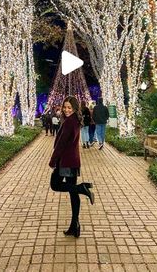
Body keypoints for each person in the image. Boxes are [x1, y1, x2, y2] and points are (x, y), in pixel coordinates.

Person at [49, 96, 94, 238]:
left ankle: (82, 188)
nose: (66, 110)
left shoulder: (69, 122)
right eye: (65, 107)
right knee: (73, 193)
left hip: (66, 162)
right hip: (73, 161)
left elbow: (61, 145)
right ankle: (75, 226)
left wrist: (52, 161)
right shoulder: (75, 120)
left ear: (74, 109)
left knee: (55, 185)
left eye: (69, 108)